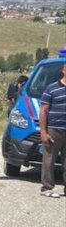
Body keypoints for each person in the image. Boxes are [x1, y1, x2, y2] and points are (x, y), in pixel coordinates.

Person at [38, 63, 66, 198]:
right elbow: (43, 110)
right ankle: (47, 188)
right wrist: (43, 132)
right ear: (63, 71)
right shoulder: (52, 88)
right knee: (49, 159)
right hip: (54, 129)